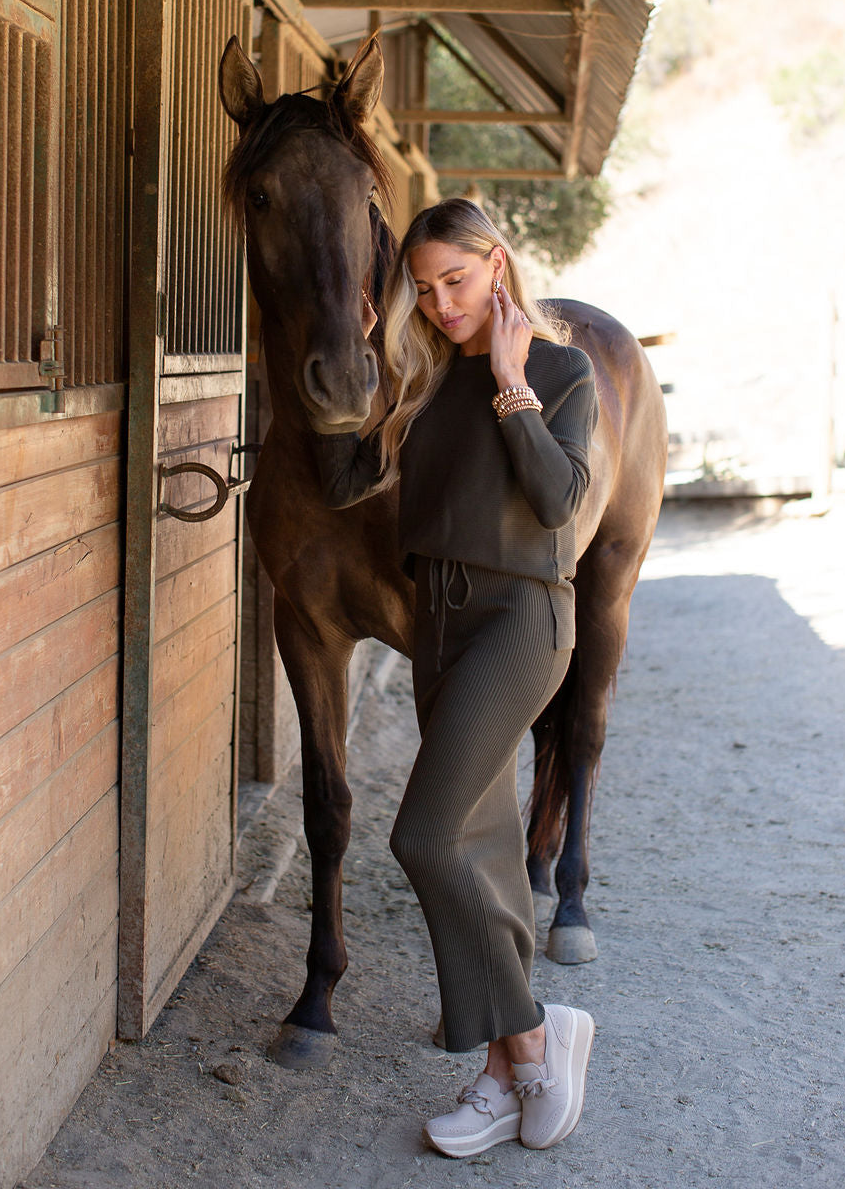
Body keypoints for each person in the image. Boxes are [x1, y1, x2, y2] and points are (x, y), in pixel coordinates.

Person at [314, 198, 599, 1159]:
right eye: (425, 289)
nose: (440, 304)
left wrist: (512, 382)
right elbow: (351, 484)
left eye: (457, 282)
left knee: (425, 835)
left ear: (497, 265)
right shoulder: (423, 381)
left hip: (521, 618)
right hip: (435, 622)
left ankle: (529, 1033)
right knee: (477, 843)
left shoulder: (562, 372)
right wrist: (356, 371)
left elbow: (560, 501)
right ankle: (497, 1076)